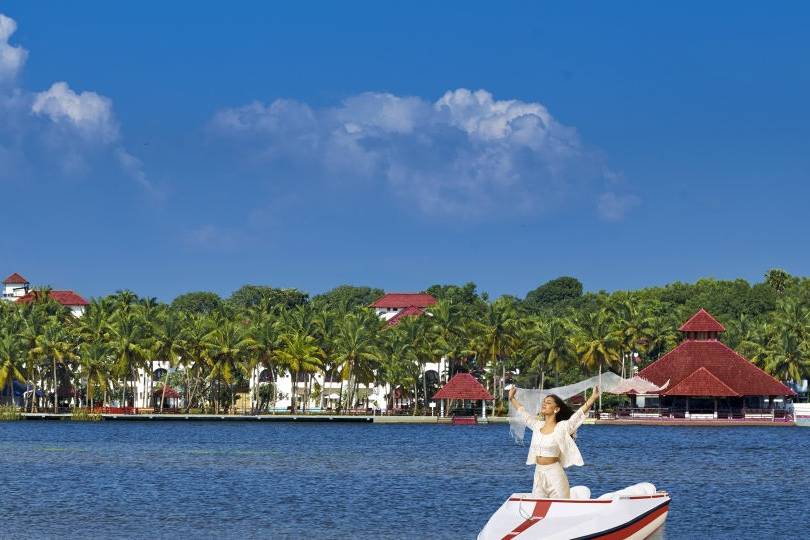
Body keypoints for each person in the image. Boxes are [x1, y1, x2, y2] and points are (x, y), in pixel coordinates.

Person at [508, 385, 600, 498]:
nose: (544, 404)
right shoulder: (537, 426)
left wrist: (593, 398)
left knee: (562, 507)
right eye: (544, 402)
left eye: (548, 402)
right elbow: (523, 413)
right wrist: (512, 398)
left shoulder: (562, 427)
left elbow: (577, 416)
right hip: (538, 473)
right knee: (538, 507)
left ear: (556, 409)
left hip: (555, 474)